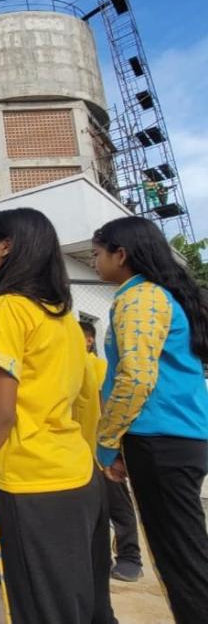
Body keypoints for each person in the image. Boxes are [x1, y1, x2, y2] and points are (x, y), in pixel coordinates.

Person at [0, 207, 113, 624]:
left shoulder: (7, 307)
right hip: (79, 474)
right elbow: (82, 398)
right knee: (85, 605)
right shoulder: (63, 317)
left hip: (32, 482)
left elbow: (1, 406)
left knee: (43, 609)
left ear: (6, 247)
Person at [93, 216, 208, 624]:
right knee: (183, 555)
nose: (94, 261)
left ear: (120, 255)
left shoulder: (140, 298)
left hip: (161, 442)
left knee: (182, 561)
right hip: (170, 439)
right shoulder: (160, 295)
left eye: (97, 253)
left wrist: (106, 443)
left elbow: (136, 377)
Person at [80, 320, 144, 582]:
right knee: (90, 511)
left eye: (79, 337)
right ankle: (99, 560)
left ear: (89, 340)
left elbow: (106, 403)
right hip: (76, 454)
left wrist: (113, 446)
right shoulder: (64, 366)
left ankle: (130, 557)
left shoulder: (99, 367)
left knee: (118, 505)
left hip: (102, 451)